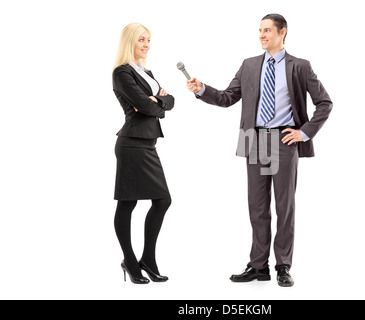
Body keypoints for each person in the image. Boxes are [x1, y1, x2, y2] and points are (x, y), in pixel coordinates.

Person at [187, 14, 332, 287]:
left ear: (282, 32)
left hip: (284, 140)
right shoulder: (249, 65)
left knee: (284, 206)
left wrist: (303, 133)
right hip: (253, 140)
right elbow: (228, 97)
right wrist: (202, 89)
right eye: (260, 31)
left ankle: (283, 266)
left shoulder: (300, 66)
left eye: (267, 30)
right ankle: (258, 266)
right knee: (257, 207)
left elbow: (324, 103)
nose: (262, 35)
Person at [112, 23, 174, 284]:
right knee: (129, 202)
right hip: (132, 144)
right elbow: (145, 106)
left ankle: (147, 259)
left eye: (148, 39)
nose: (146, 44)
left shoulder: (146, 72)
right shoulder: (122, 73)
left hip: (149, 144)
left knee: (162, 200)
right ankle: (130, 259)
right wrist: (154, 102)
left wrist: (156, 101)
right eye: (141, 39)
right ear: (130, 42)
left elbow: (169, 102)